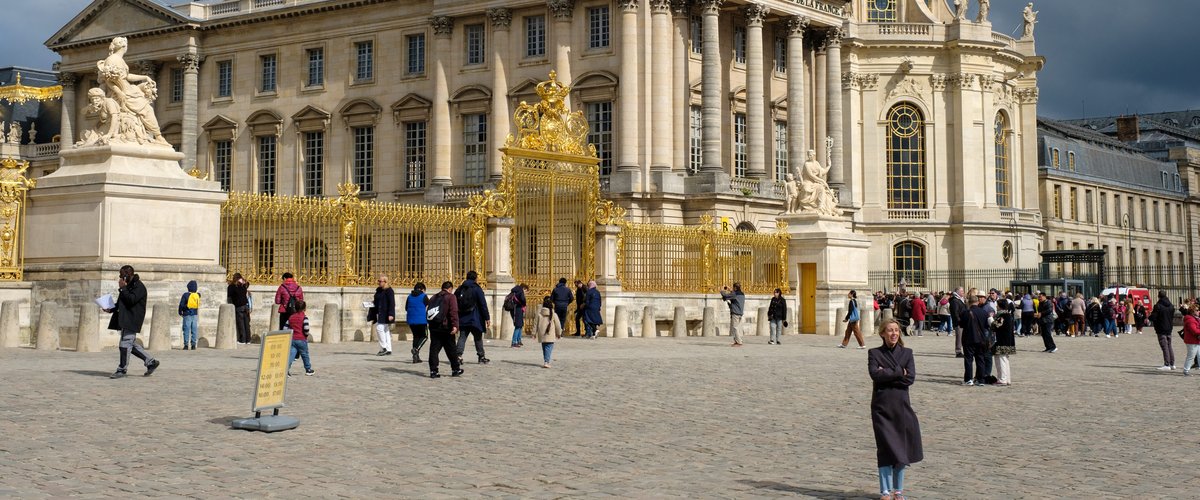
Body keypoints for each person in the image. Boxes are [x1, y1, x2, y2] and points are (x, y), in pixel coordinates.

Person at [868, 319, 923, 500]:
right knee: (885, 448)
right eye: (890, 330)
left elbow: (910, 379)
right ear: (882, 333)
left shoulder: (907, 353)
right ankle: (885, 491)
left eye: (896, 331)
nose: (894, 334)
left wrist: (888, 373)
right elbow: (875, 374)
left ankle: (898, 491)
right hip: (882, 408)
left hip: (901, 406)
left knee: (900, 448)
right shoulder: (874, 353)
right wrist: (900, 371)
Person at [106, 265, 159, 378]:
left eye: (121, 275)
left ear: (127, 275)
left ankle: (122, 369)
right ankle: (151, 362)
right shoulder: (128, 286)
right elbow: (122, 302)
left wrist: (122, 288)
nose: (120, 278)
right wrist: (111, 308)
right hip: (125, 319)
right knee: (130, 344)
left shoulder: (139, 287)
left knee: (124, 344)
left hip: (132, 319)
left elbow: (131, 300)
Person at [427, 281, 463, 378]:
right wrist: (455, 326)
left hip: (434, 327)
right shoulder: (451, 297)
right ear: (450, 288)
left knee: (434, 350)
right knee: (451, 349)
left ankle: (433, 371)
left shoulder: (434, 297)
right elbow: (453, 312)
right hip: (446, 327)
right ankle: (456, 369)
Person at [455, 270, 491, 364]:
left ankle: (458, 355)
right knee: (478, 338)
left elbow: (455, 302)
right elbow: (483, 304)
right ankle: (481, 356)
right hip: (475, 317)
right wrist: (487, 317)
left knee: (462, 337)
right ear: (476, 278)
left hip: (463, 316)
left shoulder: (460, 288)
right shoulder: (477, 289)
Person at [960, 289, 990, 386]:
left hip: (968, 338)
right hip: (981, 338)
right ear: (977, 302)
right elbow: (986, 326)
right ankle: (980, 379)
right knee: (980, 359)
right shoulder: (984, 313)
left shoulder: (966, 312)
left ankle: (969, 379)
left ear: (969, 303)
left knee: (968, 359)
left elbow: (961, 325)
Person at [286, 300, 315, 376]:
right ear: (305, 309)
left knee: (291, 355)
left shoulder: (291, 317)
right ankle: (308, 369)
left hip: (292, 339)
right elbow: (306, 328)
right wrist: (306, 334)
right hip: (301, 339)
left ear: (295, 308)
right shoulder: (304, 317)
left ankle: (286, 370)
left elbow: (285, 328)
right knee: (305, 354)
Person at [370, 274, 396, 356]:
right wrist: (371, 303)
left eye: (380, 281)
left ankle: (383, 348)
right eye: (378, 281)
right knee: (385, 330)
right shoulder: (378, 290)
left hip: (386, 313)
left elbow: (392, 303)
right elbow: (376, 300)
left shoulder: (389, 290)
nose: (379, 282)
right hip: (380, 312)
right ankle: (388, 349)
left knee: (379, 328)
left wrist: (391, 314)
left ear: (385, 282)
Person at [992, 298, 1016, 386]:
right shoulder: (1009, 315)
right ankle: (1007, 378)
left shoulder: (1002, 316)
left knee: (1001, 360)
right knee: (1005, 360)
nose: (996, 306)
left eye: (997, 305)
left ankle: (1002, 379)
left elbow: (994, 326)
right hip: (1008, 341)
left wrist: (990, 319)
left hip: (1002, 341)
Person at [1150, 290, 1176, 370]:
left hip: (1161, 328)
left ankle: (1167, 364)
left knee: (1164, 346)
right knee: (1169, 345)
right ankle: (1172, 364)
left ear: (1158, 296)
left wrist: (1149, 317)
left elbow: (1154, 317)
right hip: (1169, 327)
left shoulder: (1158, 306)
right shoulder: (1171, 306)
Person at [535, 296, 562, 368]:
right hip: (550, 334)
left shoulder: (540, 314)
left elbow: (535, 324)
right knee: (548, 348)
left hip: (542, 333)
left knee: (544, 348)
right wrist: (559, 333)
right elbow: (558, 325)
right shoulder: (554, 314)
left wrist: (533, 333)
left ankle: (546, 360)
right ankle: (546, 362)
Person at [405, 282, 429, 364]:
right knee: (424, 337)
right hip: (421, 320)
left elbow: (406, 308)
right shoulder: (423, 296)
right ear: (422, 289)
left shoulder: (409, 296)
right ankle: (416, 349)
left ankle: (415, 357)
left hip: (411, 320)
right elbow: (429, 307)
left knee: (416, 337)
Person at [226, 273, 252, 344]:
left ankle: (242, 340)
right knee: (246, 323)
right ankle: (248, 339)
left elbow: (229, 295)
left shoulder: (232, 286)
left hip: (239, 306)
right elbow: (247, 284)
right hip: (245, 306)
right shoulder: (243, 285)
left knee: (241, 324)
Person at [720, 282, 746, 347]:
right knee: (737, 327)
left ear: (735, 288)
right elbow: (733, 295)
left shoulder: (734, 294)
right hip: (740, 312)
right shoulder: (742, 294)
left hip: (735, 312)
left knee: (735, 328)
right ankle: (736, 341)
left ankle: (739, 342)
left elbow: (726, 296)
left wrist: (721, 290)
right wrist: (730, 290)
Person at [177, 280, 200, 350]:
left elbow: (181, 304)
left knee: (186, 329)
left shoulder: (185, 295)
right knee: (194, 329)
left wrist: (180, 311)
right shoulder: (197, 295)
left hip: (187, 314)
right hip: (195, 314)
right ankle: (193, 345)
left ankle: (186, 345)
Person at [507, 283, 529, 348]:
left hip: (516, 309)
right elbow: (522, 299)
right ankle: (514, 342)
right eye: (526, 291)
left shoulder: (516, 291)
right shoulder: (520, 291)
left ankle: (519, 340)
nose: (525, 293)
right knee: (518, 325)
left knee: (520, 325)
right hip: (518, 309)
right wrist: (524, 303)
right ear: (524, 288)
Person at [1181, 305, 1200, 376]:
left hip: (1197, 340)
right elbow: (1194, 330)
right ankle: (1186, 370)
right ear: (1192, 312)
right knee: (1191, 356)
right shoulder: (1190, 319)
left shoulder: (1196, 318)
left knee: (1199, 355)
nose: (1198, 311)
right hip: (1192, 341)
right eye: (1197, 310)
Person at [949, 287, 967, 357]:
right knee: (959, 336)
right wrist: (959, 321)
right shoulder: (955, 301)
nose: (963, 292)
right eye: (962, 291)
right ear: (958, 292)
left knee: (962, 336)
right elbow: (955, 313)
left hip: (962, 321)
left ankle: (961, 350)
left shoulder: (959, 299)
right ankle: (958, 351)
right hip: (959, 322)